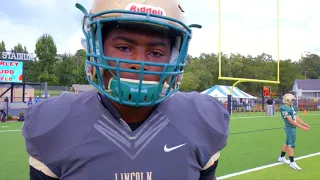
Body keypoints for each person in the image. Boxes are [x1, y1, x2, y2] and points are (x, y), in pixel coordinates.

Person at [22, 1, 230, 179]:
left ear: (175, 58)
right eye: (124, 48)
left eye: (156, 52)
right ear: (96, 47)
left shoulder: (201, 119)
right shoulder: (55, 123)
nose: (139, 63)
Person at [278, 93, 310, 170]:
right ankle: (292, 163)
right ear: (287, 100)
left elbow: (297, 118)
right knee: (291, 145)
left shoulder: (291, 107)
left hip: (292, 127)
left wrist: (305, 124)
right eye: (291, 100)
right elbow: (291, 121)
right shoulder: (285, 108)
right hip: (289, 128)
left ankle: (281, 157)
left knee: (287, 143)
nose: (292, 101)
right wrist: (302, 127)